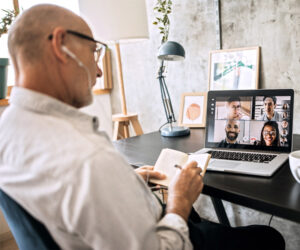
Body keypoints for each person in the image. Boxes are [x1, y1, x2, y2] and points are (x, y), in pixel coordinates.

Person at [0, 4, 285, 250]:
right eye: (93, 52)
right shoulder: (87, 160)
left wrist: (127, 183)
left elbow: (70, 205)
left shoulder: (9, 130)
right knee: (269, 237)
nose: (98, 70)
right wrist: (179, 201)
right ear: (60, 45)